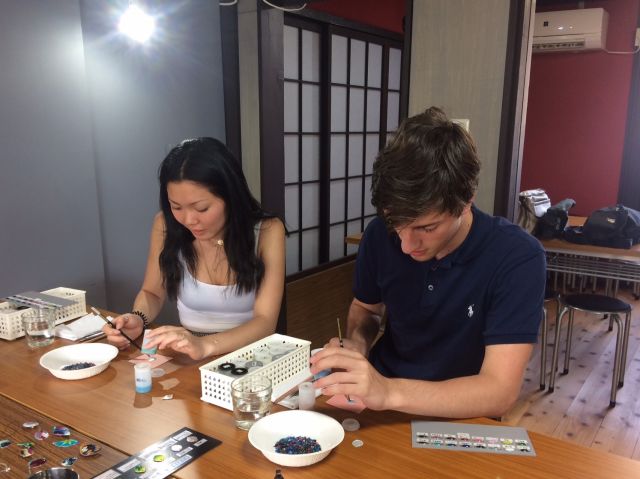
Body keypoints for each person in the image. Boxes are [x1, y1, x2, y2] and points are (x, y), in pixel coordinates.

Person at [310, 107, 546, 418]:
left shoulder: (517, 257)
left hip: (462, 415)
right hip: (379, 405)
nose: (407, 245)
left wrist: (389, 391)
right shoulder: (380, 235)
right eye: (397, 224)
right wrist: (356, 343)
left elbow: (498, 391)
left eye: (427, 228)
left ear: (466, 202)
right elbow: (366, 308)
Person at [103, 137, 285, 360]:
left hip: (253, 357)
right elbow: (152, 292)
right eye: (176, 207)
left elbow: (265, 321)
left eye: (202, 208)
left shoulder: (267, 231)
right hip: (189, 355)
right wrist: (138, 318)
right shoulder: (165, 225)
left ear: (230, 196)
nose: (189, 220)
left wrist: (205, 345)